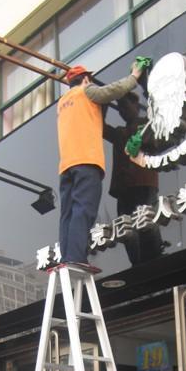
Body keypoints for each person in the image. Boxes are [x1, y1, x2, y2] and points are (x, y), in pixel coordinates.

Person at [56, 61, 144, 268]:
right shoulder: (86, 91)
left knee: (67, 214)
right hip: (86, 161)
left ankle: (67, 257)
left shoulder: (63, 102)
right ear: (86, 79)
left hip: (66, 166)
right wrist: (134, 76)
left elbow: (94, 120)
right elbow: (113, 91)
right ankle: (76, 258)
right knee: (84, 210)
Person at [104, 92, 162, 265]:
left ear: (136, 107)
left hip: (143, 183)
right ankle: (137, 263)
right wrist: (104, 99)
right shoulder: (120, 132)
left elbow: (154, 142)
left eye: (126, 106)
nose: (123, 111)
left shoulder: (147, 125)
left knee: (146, 222)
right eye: (120, 108)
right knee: (126, 227)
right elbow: (100, 127)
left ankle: (154, 258)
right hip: (124, 188)